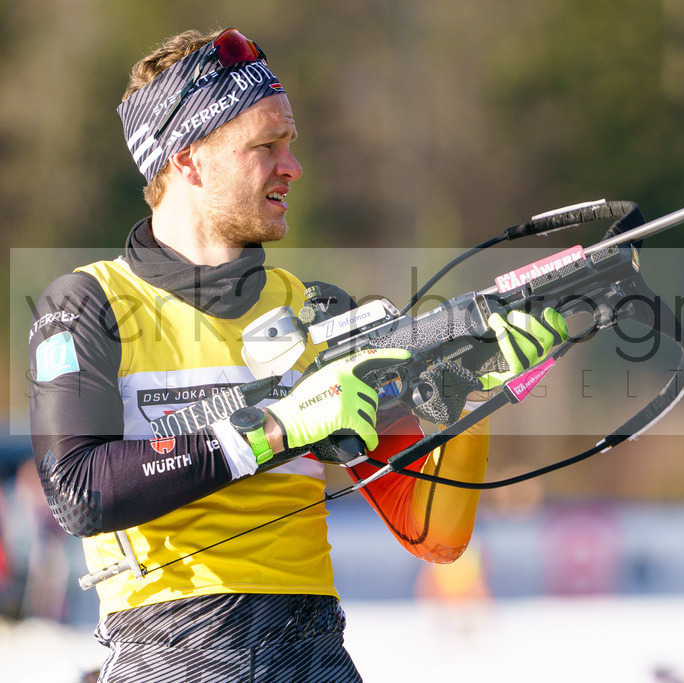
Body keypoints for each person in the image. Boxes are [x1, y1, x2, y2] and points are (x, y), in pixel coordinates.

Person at [29, 27, 566, 682]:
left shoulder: (318, 311)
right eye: (266, 146)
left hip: (313, 654)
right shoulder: (87, 302)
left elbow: (435, 529)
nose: (293, 167)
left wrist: (477, 390)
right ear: (190, 161)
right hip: (168, 655)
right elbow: (79, 490)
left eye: (291, 144)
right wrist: (274, 429)